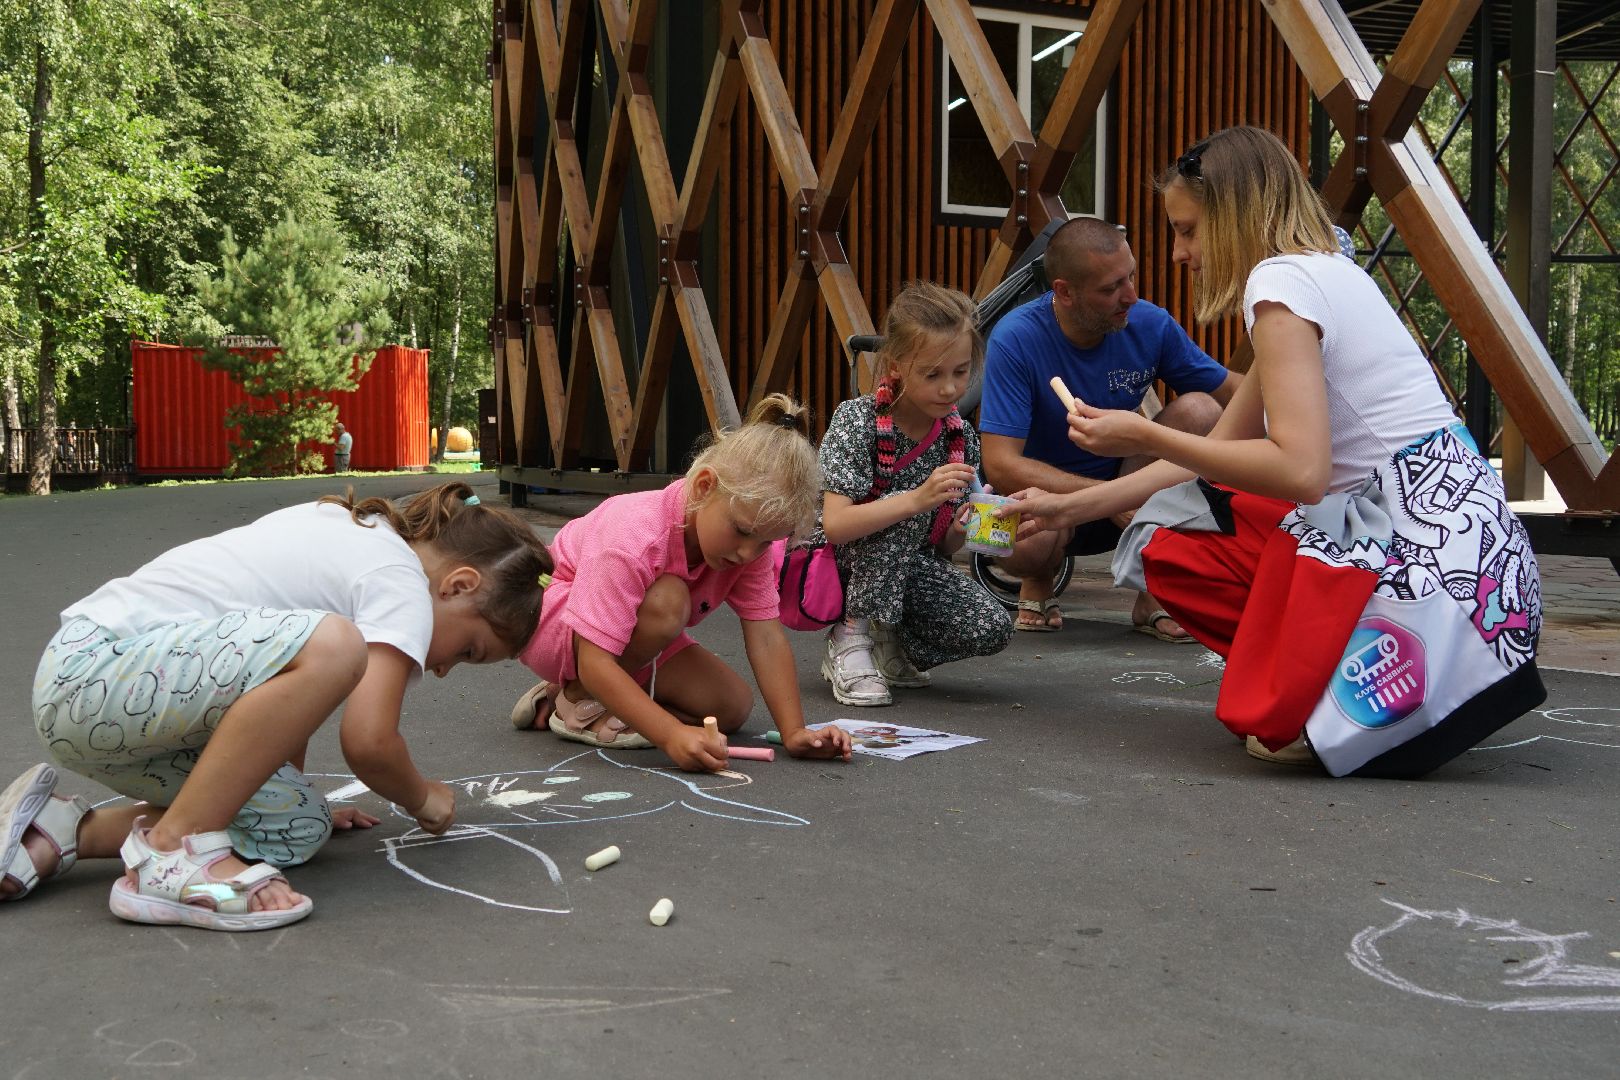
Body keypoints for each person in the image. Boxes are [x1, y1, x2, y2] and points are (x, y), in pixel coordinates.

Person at [1014, 126, 1544, 777]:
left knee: (1187, 542)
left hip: (1434, 576)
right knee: (1172, 523)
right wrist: (1071, 507)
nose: (1179, 253)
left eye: (1187, 229)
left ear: (1234, 214)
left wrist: (1144, 432)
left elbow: (1300, 471)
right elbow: (1211, 453)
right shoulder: (1323, 271)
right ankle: (1343, 685)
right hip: (1489, 571)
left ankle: (1341, 694)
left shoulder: (1278, 287)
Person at [0, 481, 551, 930]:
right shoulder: (400, 579)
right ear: (458, 584)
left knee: (292, 828)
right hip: (101, 672)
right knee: (337, 645)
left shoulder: (346, 528)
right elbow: (369, 742)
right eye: (469, 650)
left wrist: (295, 797)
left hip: (104, 695)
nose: (444, 667)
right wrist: (422, 796)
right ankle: (173, 850)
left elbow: (273, 683)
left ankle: (62, 829)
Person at [509, 394, 854, 771]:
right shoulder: (634, 535)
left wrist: (795, 732)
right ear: (705, 487)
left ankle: (565, 694)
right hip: (549, 617)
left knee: (730, 706)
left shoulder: (747, 546)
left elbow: (767, 636)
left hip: (624, 636)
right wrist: (670, 735)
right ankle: (576, 700)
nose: (747, 553)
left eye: (766, 543)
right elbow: (594, 659)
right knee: (668, 601)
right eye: (741, 532)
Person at [978, 217, 1241, 638]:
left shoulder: (1149, 324)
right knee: (1025, 544)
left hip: (1132, 498)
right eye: (1110, 288)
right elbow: (1000, 465)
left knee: (1201, 411)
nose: (1130, 296)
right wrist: (1103, 500)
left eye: (1130, 277)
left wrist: (1315, 398)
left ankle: (1156, 589)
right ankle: (1038, 579)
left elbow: (1237, 395)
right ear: (1063, 292)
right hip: (1052, 511)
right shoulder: (1015, 338)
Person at [817, 281, 1014, 707]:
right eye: (933, 374)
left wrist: (963, 529)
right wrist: (915, 500)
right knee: (903, 509)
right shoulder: (858, 421)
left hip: (906, 564)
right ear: (896, 363)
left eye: (961, 372)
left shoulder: (960, 437)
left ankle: (888, 641)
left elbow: (939, 547)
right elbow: (833, 526)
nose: (950, 389)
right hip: (840, 562)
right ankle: (850, 636)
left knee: (992, 627)